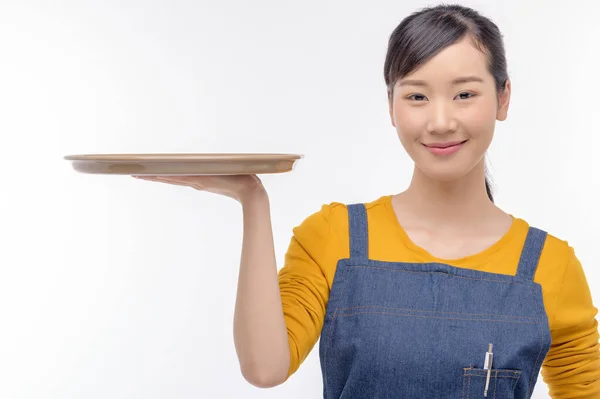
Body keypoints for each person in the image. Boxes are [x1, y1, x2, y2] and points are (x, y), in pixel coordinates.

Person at [134, 3, 600, 398]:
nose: (440, 121)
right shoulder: (333, 236)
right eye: (416, 95)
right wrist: (253, 201)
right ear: (391, 106)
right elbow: (265, 368)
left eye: (464, 94)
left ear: (503, 98)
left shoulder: (549, 267)